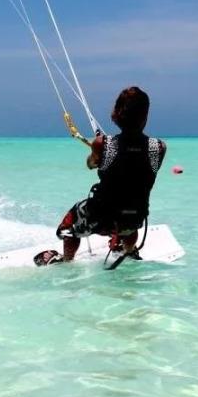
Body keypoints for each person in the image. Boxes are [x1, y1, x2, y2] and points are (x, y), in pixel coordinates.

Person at [37, 87, 166, 265]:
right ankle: (128, 250)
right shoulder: (158, 148)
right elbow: (136, 165)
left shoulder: (102, 144)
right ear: (145, 117)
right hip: (135, 217)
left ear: (117, 115)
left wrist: (96, 151)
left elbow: (90, 164)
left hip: (102, 217)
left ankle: (67, 262)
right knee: (130, 218)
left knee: (67, 228)